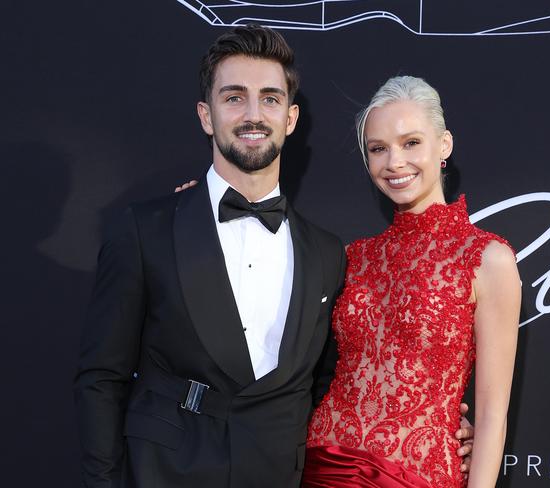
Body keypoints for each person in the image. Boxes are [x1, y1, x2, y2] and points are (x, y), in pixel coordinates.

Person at [74, 25, 474, 488]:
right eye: (233, 97)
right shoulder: (145, 230)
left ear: (290, 117)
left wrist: (433, 425)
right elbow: (102, 379)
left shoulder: (326, 254)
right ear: (207, 115)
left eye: (269, 98)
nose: (252, 114)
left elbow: (336, 384)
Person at [302, 77, 521, 487]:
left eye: (411, 142)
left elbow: (493, 414)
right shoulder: (351, 256)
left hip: (415, 475)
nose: (394, 162)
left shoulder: (489, 260)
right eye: (378, 149)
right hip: (323, 467)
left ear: (444, 146)